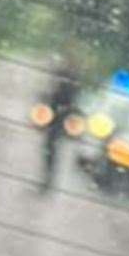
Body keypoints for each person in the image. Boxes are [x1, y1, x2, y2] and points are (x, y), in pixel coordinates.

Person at [38, 58, 80, 195]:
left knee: (51, 150)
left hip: (59, 119)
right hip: (56, 118)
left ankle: (48, 179)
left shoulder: (70, 82)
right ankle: (48, 179)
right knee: (50, 150)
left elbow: (70, 102)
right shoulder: (68, 80)